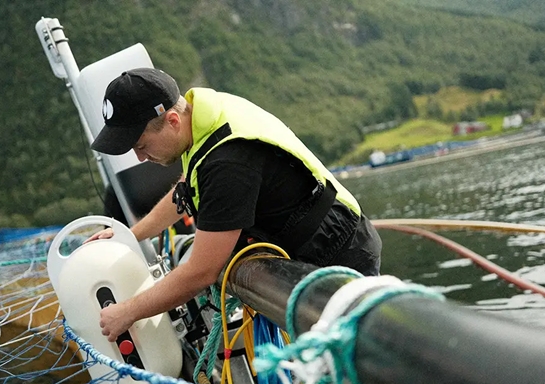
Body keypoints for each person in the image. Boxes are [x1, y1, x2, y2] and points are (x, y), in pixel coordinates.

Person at [86, 68, 382, 342]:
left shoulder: (227, 162)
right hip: (315, 239)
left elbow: (201, 271)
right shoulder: (203, 116)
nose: (140, 158)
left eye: (141, 146)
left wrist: (127, 312)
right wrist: (133, 234)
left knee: (351, 360)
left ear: (172, 122)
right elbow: (188, 188)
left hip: (337, 251)